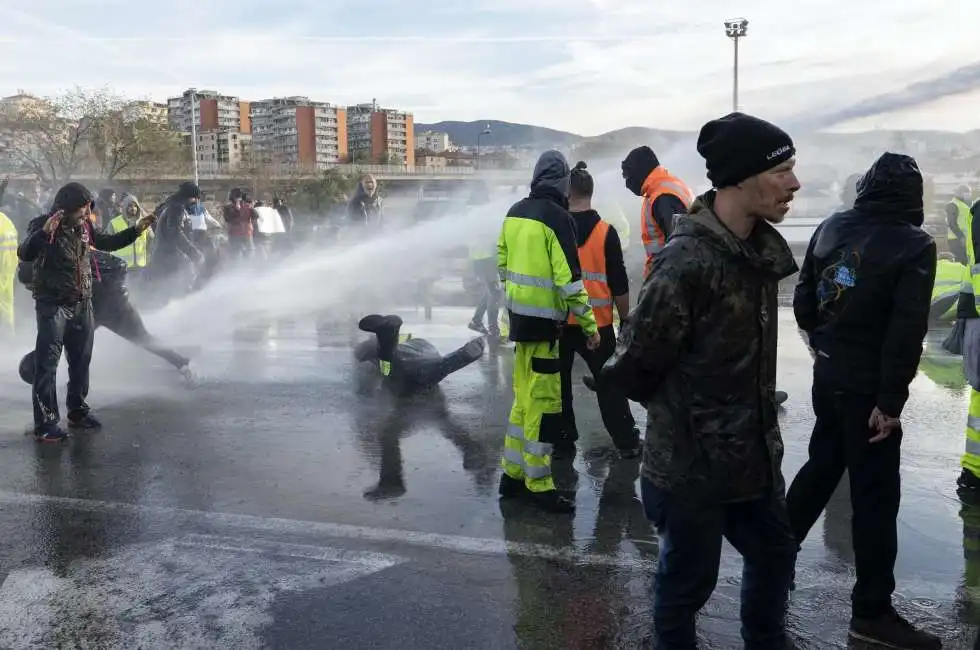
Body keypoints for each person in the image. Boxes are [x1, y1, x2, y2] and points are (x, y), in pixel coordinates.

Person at [603, 112, 800, 648]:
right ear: (740, 177)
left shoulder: (756, 250)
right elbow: (635, 363)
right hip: (691, 470)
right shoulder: (686, 261)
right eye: (782, 170)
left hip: (753, 460)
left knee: (775, 556)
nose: (794, 183)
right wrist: (691, 416)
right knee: (686, 587)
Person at [789, 152, 941, 649]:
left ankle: (773, 560)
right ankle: (872, 612)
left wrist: (824, 345)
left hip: (828, 372)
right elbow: (906, 329)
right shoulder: (914, 244)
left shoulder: (832, 225)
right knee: (875, 501)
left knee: (822, 466)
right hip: (869, 390)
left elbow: (805, 299)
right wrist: (890, 403)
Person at [498, 150, 599, 514]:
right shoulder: (559, 218)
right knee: (542, 408)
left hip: (520, 325)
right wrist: (589, 325)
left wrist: (515, 305)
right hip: (545, 330)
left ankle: (511, 476)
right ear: (562, 182)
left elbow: (502, 264)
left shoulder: (514, 213)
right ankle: (539, 485)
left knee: (522, 401)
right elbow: (570, 281)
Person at [17, 182, 155, 442]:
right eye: (81, 209)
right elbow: (24, 253)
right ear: (65, 208)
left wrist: (136, 231)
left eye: (87, 209)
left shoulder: (85, 227)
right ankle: (45, 423)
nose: (86, 214)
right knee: (47, 365)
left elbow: (107, 242)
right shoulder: (42, 225)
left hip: (82, 302)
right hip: (53, 305)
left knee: (81, 360)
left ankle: (77, 411)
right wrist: (43, 234)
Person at [17, 248, 196, 386]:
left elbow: (119, 265)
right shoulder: (51, 280)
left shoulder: (73, 258)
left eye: (34, 285)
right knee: (64, 338)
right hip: (89, 310)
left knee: (143, 338)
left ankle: (182, 363)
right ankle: (40, 368)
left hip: (114, 308)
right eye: (30, 287)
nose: (33, 290)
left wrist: (113, 292)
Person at [559, 161, 641, 458]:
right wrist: (625, 319)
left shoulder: (556, 230)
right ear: (591, 193)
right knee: (609, 388)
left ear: (567, 193)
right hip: (598, 325)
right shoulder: (606, 233)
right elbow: (619, 282)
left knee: (559, 388)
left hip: (559, 324)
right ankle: (627, 443)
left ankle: (563, 443)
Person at [353, 314, 484, 396]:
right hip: (418, 358)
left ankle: (387, 334)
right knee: (398, 372)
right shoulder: (373, 351)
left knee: (393, 371)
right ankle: (388, 334)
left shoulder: (370, 351)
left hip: (413, 358)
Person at [621, 145, 694, 278]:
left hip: (669, 279)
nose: (627, 184)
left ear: (640, 172)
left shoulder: (663, 198)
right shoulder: (663, 187)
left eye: (629, 177)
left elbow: (680, 249)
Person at [148, 182, 204, 301]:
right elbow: (175, 233)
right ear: (190, 197)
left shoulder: (171, 206)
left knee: (169, 293)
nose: (197, 203)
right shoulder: (177, 208)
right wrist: (193, 252)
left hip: (166, 257)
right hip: (170, 260)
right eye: (196, 199)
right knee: (176, 293)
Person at [107, 195, 153, 277]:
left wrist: (149, 258)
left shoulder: (144, 222)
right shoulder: (114, 223)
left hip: (141, 266)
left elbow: (152, 240)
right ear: (124, 207)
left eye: (135, 206)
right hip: (121, 267)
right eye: (130, 205)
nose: (133, 208)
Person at [224, 188, 257, 259]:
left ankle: (237, 267)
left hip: (235, 234)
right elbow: (256, 216)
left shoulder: (228, 208)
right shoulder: (248, 207)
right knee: (250, 252)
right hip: (247, 233)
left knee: (235, 253)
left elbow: (227, 220)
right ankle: (251, 266)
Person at [947, 185, 973, 266]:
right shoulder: (953, 205)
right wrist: (961, 237)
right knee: (961, 263)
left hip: (965, 240)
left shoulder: (964, 205)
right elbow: (952, 223)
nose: (968, 195)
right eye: (966, 192)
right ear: (960, 193)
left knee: (966, 263)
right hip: (956, 240)